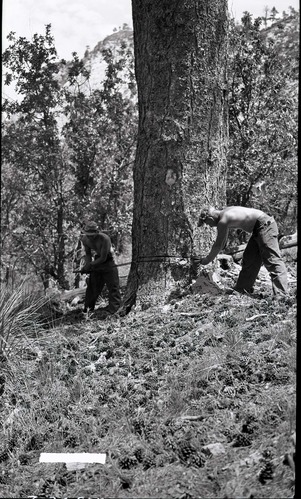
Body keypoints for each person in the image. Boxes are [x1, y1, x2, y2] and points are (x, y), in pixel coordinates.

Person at [196, 206, 288, 297]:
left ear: (210, 218)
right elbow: (223, 243)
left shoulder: (223, 220)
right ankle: (242, 289)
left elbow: (218, 245)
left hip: (265, 225)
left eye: (208, 223)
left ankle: (282, 296)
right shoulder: (225, 213)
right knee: (250, 258)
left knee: (272, 260)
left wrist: (206, 260)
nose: (210, 226)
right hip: (259, 227)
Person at [80, 221, 121, 314]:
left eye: (92, 234)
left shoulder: (105, 239)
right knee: (92, 286)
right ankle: (88, 309)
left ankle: (114, 310)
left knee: (113, 286)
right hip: (97, 260)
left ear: (96, 232)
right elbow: (88, 254)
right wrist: (87, 265)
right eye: (88, 234)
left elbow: (104, 258)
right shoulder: (85, 240)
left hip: (109, 260)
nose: (90, 236)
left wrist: (90, 265)